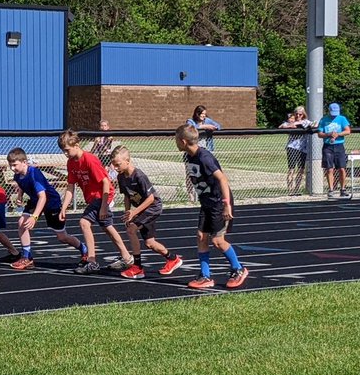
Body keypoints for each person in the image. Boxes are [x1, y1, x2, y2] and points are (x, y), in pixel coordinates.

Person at [175, 123, 247, 289]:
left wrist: (226, 205)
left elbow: (222, 179)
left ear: (184, 141)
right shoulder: (188, 156)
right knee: (201, 236)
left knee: (217, 240)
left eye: (177, 140)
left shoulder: (204, 158)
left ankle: (238, 269)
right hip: (206, 202)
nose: (176, 143)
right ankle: (205, 276)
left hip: (218, 202)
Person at [58, 129, 133, 275]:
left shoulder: (90, 159)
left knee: (84, 223)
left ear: (77, 145)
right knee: (107, 226)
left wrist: (104, 206)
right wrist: (64, 207)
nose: (65, 153)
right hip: (93, 198)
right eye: (63, 151)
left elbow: (106, 182)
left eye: (67, 150)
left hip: (103, 195)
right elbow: (70, 187)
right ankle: (127, 257)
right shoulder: (71, 163)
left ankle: (91, 261)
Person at [7, 147, 88, 270]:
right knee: (21, 223)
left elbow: (43, 197)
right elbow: (22, 185)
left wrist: (34, 217)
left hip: (51, 203)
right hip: (35, 201)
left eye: (15, 165)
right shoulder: (18, 175)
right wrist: (20, 196)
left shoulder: (34, 173)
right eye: (10, 165)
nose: (12, 168)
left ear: (24, 162)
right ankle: (27, 257)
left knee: (62, 237)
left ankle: (83, 248)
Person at [111, 146, 182, 279]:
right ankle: (173, 259)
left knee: (131, 230)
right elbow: (127, 196)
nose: (115, 168)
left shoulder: (139, 176)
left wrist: (134, 212)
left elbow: (151, 198)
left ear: (127, 160)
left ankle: (137, 267)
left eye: (118, 164)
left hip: (152, 207)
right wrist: (128, 213)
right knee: (150, 243)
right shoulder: (121, 177)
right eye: (113, 165)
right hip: (141, 210)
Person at [316, 102, 351, 199]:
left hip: (339, 145)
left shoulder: (342, 119)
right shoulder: (324, 120)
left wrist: (338, 134)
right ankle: (331, 189)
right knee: (329, 168)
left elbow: (348, 131)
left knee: (342, 168)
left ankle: (343, 189)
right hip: (328, 146)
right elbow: (319, 134)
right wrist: (328, 134)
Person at [282, 105, 311, 195]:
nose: (298, 116)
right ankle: (290, 190)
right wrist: (291, 124)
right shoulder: (291, 121)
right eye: (297, 114)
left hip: (303, 148)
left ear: (303, 115)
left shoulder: (305, 122)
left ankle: (296, 190)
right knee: (291, 169)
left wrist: (298, 123)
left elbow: (315, 124)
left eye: (300, 114)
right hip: (292, 147)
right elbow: (282, 126)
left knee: (301, 170)